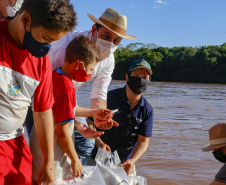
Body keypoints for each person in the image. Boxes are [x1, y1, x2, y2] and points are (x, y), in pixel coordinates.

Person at [0, 0, 76, 184]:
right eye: (46, 38)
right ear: (26, 19)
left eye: (53, 41)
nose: (47, 47)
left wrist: (49, 161)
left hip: (15, 143)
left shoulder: (41, 62)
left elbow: (43, 113)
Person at [48, 7, 136, 165]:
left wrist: (100, 116)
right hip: (40, 97)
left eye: (116, 41)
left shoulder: (108, 59)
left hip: (67, 99)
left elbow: (99, 94)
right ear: (94, 29)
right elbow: (47, 94)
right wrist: (77, 124)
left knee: (86, 143)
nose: (110, 44)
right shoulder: (65, 47)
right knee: (49, 142)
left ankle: (73, 176)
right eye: (106, 36)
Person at [30, 35, 115, 183]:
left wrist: (93, 112)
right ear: (79, 65)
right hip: (54, 148)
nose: (89, 75)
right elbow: (62, 133)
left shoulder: (56, 74)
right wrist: (75, 159)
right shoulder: (67, 88)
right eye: (90, 70)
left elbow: (67, 108)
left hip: (39, 140)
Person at [87, 59, 154, 175]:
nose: (140, 80)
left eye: (145, 77)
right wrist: (99, 143)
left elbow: (143, 142)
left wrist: (132, 160)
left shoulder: (147, 110)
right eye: (136, 75)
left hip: (124, 164)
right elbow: (89, 121)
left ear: (149, 81)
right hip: (96, 158)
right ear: (127, 77)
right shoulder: (110, 97)